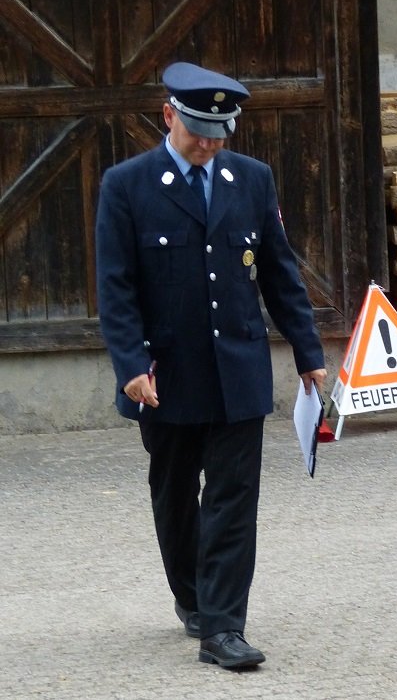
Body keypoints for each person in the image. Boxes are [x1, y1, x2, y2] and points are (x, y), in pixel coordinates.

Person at [96, 62, 327, 667]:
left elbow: (279, 272)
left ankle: (224, 628)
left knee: (233, 499)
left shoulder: (251, 178)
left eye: (219, 133)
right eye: (198, 131)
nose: (209, 144)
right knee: (176, 495)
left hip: (238, 369)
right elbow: (115, 288)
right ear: (168, 116)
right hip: (167, 376)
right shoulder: (127, 185)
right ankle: (193, 598)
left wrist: (308, 352)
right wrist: (130, 364)